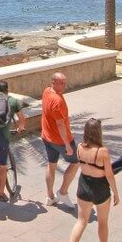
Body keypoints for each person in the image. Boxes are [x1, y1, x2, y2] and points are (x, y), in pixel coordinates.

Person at [63, 118, 119, 242]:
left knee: (81, 221)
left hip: (83, 185)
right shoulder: (102, 152)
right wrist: (116, 193)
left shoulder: (79, 147)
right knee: (103, 222)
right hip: (100, 188)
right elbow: (109, 175)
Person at [40, 72, 78, 205]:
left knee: (51, 165)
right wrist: (67, 145)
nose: (64, 85)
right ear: (53, 82)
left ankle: (50, 197)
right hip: (60, 140)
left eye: (64, 82)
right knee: (75, 162)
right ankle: (63, 192)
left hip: (47, 137)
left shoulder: (46, 91)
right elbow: (60, 124)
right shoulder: (57, 101)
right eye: (61, 83)